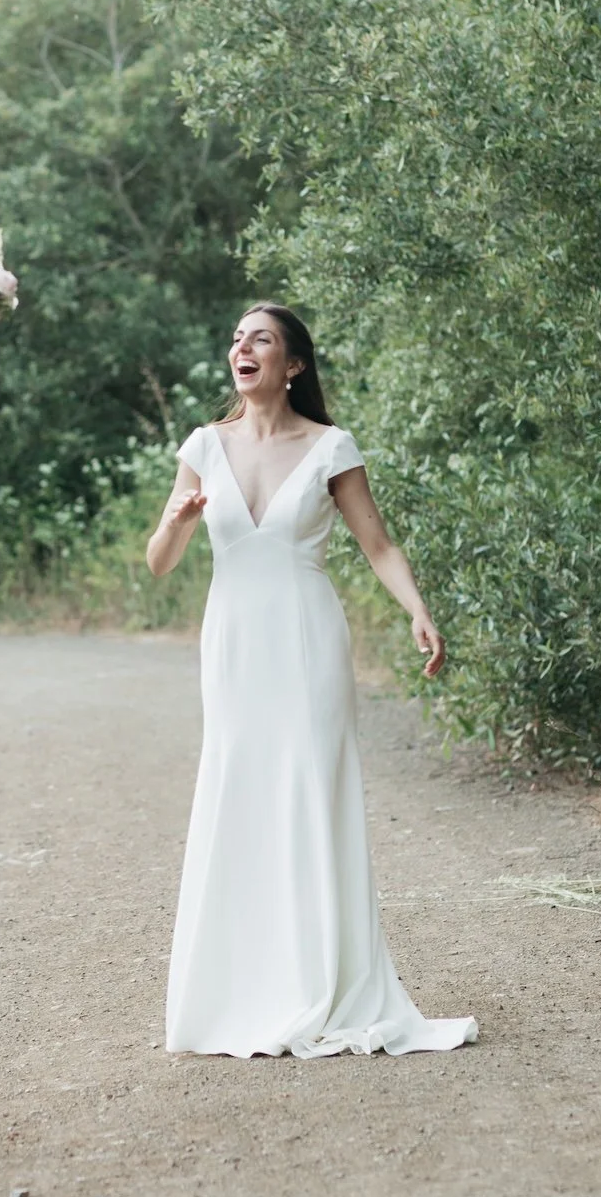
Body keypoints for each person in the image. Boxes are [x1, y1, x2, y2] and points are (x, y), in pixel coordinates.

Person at [148, 303, 476, 1059]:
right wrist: (177, 517)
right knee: (238, 791)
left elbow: (378, 544)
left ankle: (323, 982)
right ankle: (236, 991)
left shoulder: (331, 446)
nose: (242, 346)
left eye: (260, 339)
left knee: (308, 796)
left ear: (292, 365)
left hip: (306, 641)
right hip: (233, 642)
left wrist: (419, 611)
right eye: (236, 337)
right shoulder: (204, 445)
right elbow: (159, 562)